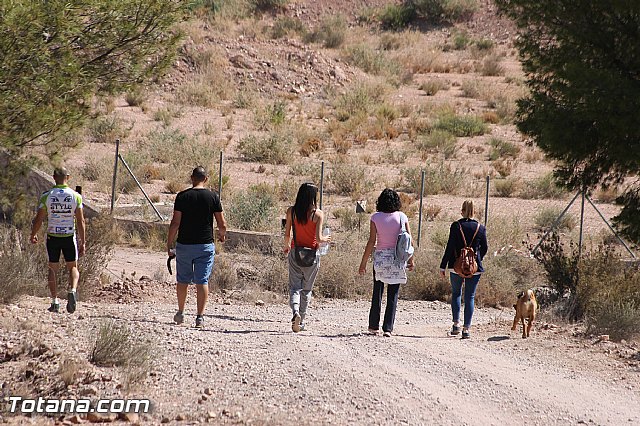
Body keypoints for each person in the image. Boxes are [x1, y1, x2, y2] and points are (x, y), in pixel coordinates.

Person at [167, 166, 227, 329]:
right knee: (202, 281)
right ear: (205, 179)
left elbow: (175, 223)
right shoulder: (213, 197)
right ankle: (199, 317)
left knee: (182, 280)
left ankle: (180, 312)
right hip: (205, 246)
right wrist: (222, 236)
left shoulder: (182, 197)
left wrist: (169, 243)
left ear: (191, 178)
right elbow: (221, 223)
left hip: (185, 245)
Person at [359, 189, 414, 337]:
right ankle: (388, 328)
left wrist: (363, 263)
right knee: (393, 294)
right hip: (397, 259)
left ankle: (373, 326)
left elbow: (371, 242)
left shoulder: (375, 217)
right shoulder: (402, 217)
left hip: (380, 259)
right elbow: (409, 241)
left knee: (377, 292)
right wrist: (411, 260)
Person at [30, 167, 86, 313]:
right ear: (68, 177)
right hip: (69, 235)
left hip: (52, 236)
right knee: (73, 267)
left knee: (52, 268)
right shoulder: (76, 196)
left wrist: (33, 234)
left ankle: (55, 302)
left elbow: (39, 219)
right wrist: (83, 241)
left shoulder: (46, 196)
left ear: (54, 177)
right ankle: (72, 290)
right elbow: (81, 221)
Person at [283, 183, 330, 333]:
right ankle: (301, 320)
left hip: (295, 252)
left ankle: (295, 311)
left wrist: (286, 246)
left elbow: (287, 234)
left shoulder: (291, 211)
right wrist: (326, 238)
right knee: (307, 289)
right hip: (312, 255)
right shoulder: (317, 214)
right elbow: (318, 238)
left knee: (294, 288)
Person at [439, 200, 488, 339]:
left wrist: (443, 265)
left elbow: (449, 247)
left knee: (456, 294)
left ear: (462, 210)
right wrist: (476, 260)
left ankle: (456, 325)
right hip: (474, 268)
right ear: (474, 212)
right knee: (470, 296)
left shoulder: (456, 226)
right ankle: (466, 329)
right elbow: (484, 248)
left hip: (456, 265)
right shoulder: (480, 228)